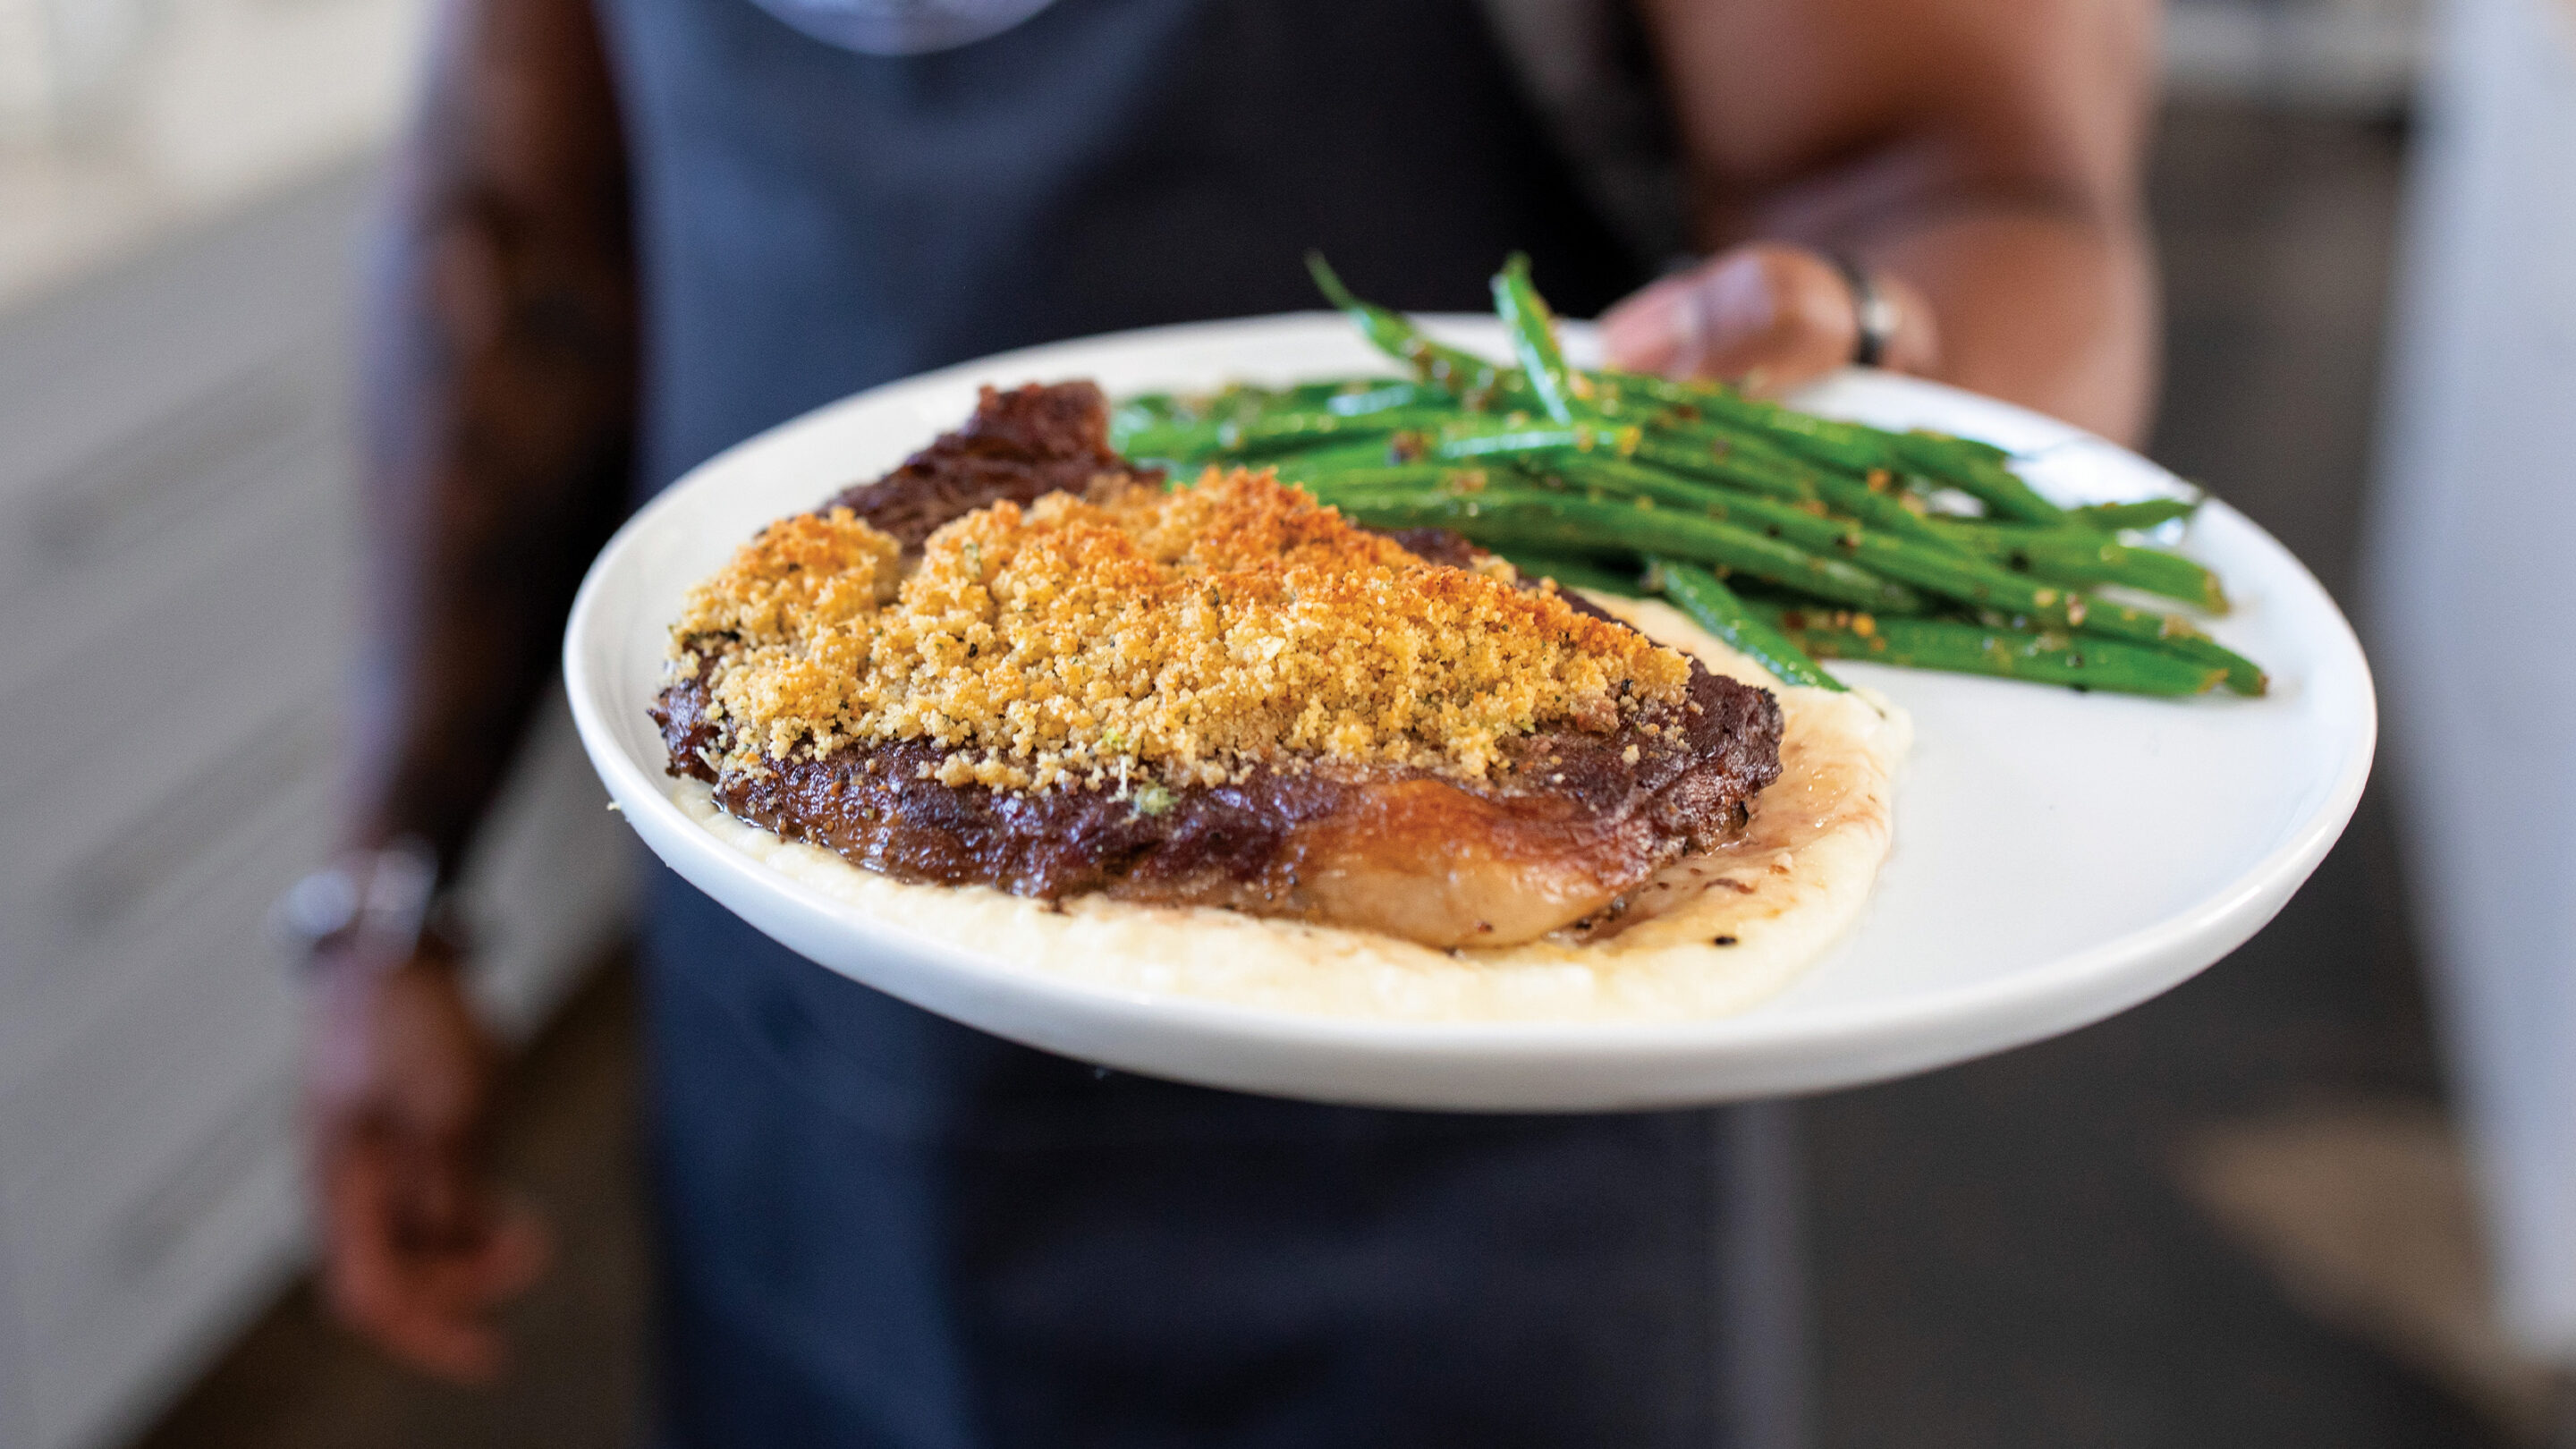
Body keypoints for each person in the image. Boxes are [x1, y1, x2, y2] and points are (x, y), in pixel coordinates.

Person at [301, 0, 2158, 1441]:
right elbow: (507, 241)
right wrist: (385, 890)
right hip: (798, 1058)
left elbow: (1988, 188)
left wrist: (1870, 360)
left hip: (1473, 1139)